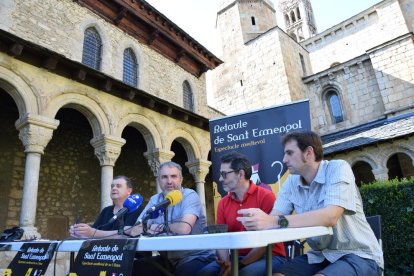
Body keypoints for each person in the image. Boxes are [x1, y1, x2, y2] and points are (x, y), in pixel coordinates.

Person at [237, 130, 384, 276]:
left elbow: (330, 216)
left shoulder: (338, 168)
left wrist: (272, 221)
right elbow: (273, 219)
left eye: (289, 153)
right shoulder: (291, 182)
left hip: (359, 255)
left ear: (308, 153)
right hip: (319, 255)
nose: (284, 160)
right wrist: (257, 223)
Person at [198, 152, 286, 276]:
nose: (220, 179)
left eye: (224, 174)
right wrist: (225, 262)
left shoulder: (266, 196)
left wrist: (238, 265)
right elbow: (221, 237)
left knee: (244, 274)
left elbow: (268, 242)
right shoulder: (223, 203)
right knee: (205, 273)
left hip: (270, 256)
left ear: (240, 174)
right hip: (237, 257)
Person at [130, 161, 215, 276]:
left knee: (185, 271)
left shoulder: (190, 195)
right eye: (164, 177)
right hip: (168, 260)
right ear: (159, 180)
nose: (169, 181)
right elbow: (136, 229)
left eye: (173, 176)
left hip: (196, 257)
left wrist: (155, 227)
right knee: (135, 268)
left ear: (181, 179)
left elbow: (184, 228)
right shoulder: (155, 199)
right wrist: (163, 227)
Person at [70, 175, 144, 238]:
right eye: (112, 186)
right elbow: (94, 233)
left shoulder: (139, 209)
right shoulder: (106, 211)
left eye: (118, 186)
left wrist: (93, 233)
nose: (114, 188)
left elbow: (128, 235)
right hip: (103, 253)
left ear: (129, 191)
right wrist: (81, 232)